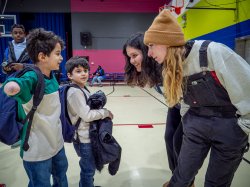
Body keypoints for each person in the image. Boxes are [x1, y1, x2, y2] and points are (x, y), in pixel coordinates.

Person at [144, 9, 249, 187]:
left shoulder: (213, 53)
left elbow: (247, 90)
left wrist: (240, 130)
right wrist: (188, 120)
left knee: (215, 183)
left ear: (166, 42)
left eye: (151, 45)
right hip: (195, 127)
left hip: (229, 127)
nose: (149, 53)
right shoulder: (171, 68)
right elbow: (182, 101)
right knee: (180, 177)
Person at [123, 33, 194, 187]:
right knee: (169, 137)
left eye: (135, 55)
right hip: (175, 104)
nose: (132, 61)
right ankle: (177, 178)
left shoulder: (167, 65)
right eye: (129, 57)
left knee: (178, 141)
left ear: (147, 51)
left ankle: (186, 182)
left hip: (190, 107)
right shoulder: (152, 72)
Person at [3, 28, 68, 187]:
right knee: (40, 183)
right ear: (42, 56)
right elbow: (16, 85)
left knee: (61, 177)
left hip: (56, 145)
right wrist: (12, 86)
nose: (61, 58)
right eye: (58, 53)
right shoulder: (32, 76)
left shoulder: (52, 76)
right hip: (37, 150)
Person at [65, 56, 113, 187]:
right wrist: (105, 113)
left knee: (89, 168)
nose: (83, 74)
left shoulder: (82, 88)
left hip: (87, 136)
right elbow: (86, 115)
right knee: (88, 169)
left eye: (85, 70)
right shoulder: (75, 92)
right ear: (70, 75)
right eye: (79, 71)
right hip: (83, 139)